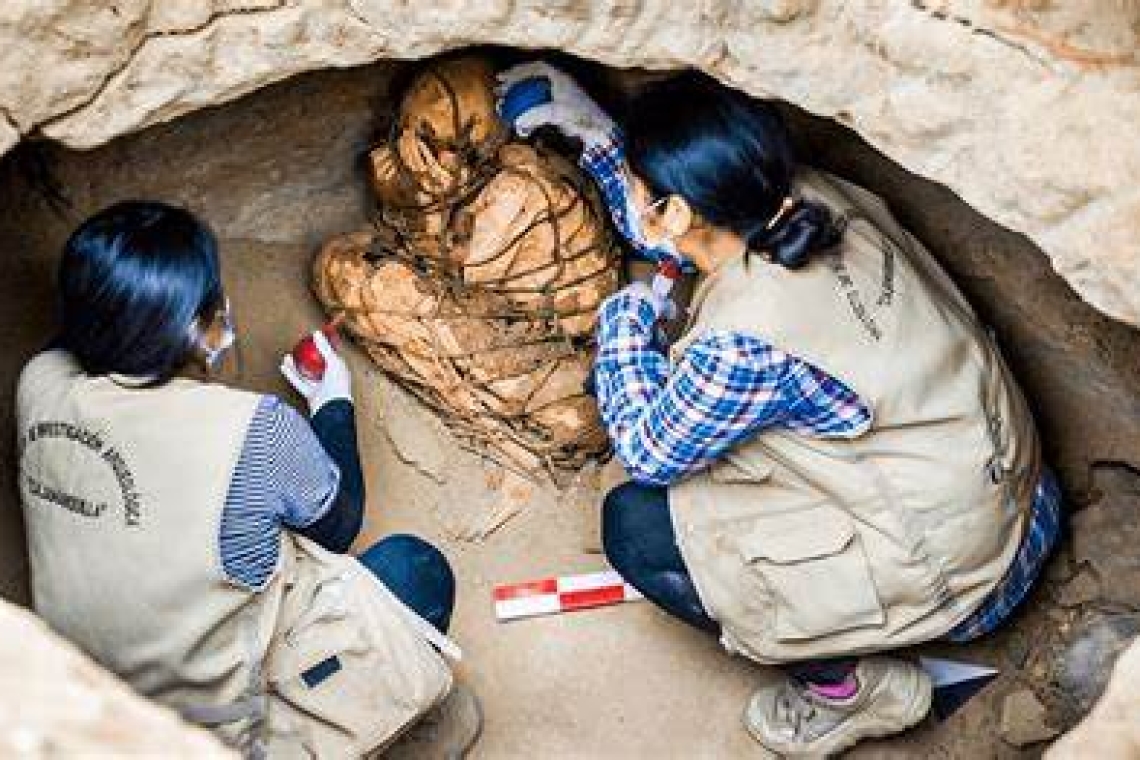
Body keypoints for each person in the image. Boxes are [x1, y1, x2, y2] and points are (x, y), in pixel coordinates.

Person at [497, 63, 1063, 756]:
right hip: (1010, 480)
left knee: (638, 526)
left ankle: (850, 689)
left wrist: (620, 325)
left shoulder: (743, 346)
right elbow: (681, 233)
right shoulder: (800, 197)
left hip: (971, 572)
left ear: (676, 208)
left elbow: (647, 448)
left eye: (643, 189)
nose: (639, 200)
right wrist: (597, 136)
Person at [15, 201, 482, 757]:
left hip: (91, 697)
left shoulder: (38, 383)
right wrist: (332, 400)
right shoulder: (253, 431)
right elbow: (338, 526)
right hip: (209, 730)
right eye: (213, 302)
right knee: (414, 569)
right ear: (194, 330)